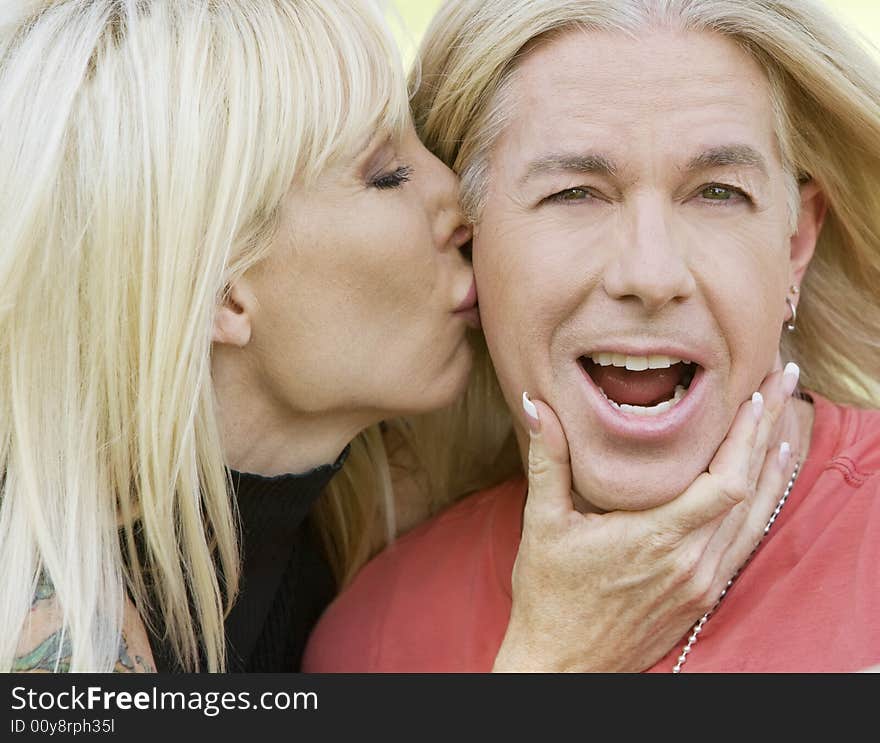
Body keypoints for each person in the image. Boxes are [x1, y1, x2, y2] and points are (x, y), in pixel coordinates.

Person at [0, 0, 804, 675]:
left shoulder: (371, 523)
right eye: (386, 173)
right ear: (220, 290)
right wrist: (554, 661)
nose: (460, 198)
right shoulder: (46, 628)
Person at [303, 0, 880, 673]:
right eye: (575, 193)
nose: (651, 273)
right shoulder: (378, 640)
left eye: (718, 192)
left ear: (798, 241)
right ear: (468, 239)